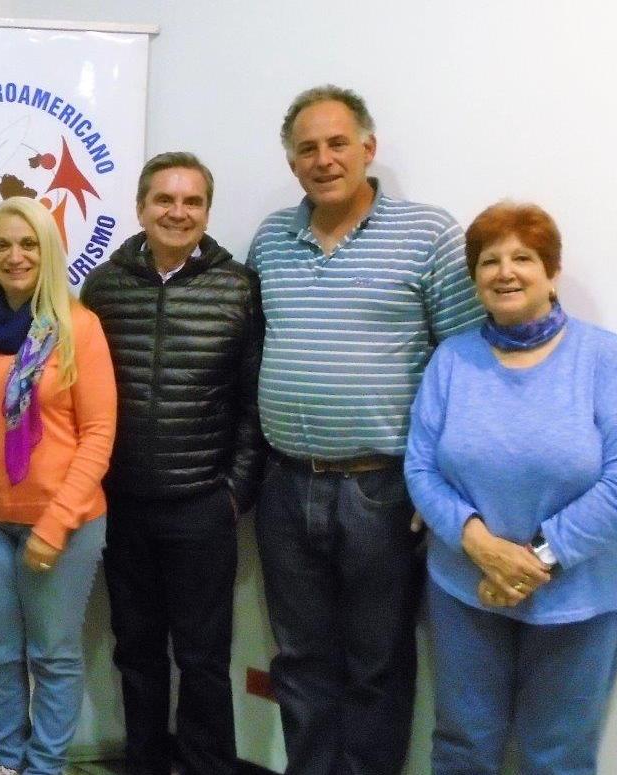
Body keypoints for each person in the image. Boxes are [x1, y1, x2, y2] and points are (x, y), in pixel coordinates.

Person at [245, 84, 483, 775]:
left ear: (368, 148)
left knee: (376, 663)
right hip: (286, 483)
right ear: (292, 163)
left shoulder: (428, 234)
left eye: (337, 143)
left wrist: (440, 485)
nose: (323, 160)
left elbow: (464, 363)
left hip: (382, 488)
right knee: (299, 659)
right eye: (307, 149)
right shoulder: (271, 240)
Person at [405, 202, 617, 775]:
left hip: (579, 599)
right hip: (465, 589)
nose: (505, 272)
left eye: (523, 258)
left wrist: (531, 562)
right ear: (475, 278)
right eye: (489, 261)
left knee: (556, 757)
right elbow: (421, 468)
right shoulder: (451, 360)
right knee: (462, 745)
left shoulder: (607, 359)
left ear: (552, 273)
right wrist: (481, 547)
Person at [80, 152, 264, 775]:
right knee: (135, 651)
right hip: (124, 503)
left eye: (192, 201)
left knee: (203, 657)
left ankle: (209, 765)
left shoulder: (238, 288)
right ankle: (146, 762)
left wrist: (234, 493)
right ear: (140, 208)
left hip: (203, 506)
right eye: (164, 199)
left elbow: (253, 401)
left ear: (207, 212)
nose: (177, 212)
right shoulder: (104, 287)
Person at [0, 196, 117, 775]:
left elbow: (98, 435)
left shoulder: (78, 326)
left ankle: (44, 766)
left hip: (62, 522)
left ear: (48, 250)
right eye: (2, 245)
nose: (15, 256)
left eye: (28, 243)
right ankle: (5, 762)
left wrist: (56, 522)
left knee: (53, 657)